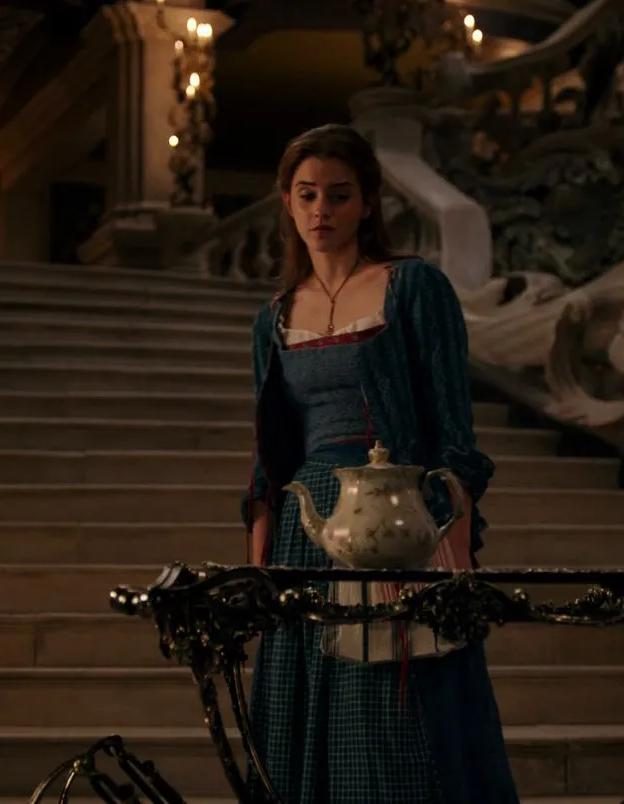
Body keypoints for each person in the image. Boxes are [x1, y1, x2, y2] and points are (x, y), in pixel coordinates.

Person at [239, 123, 521, 803]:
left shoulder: (413, 287)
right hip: (305, 530)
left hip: (394, 519)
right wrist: (260, 556)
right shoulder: (274, 317)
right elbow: (268, 454)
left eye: (339, 195)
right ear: (287, 202)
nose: (321, 210)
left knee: (391, 725)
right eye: (307, 195)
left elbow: (454, 433)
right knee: (298, 716)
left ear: (367, 203)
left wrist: (450, 544)